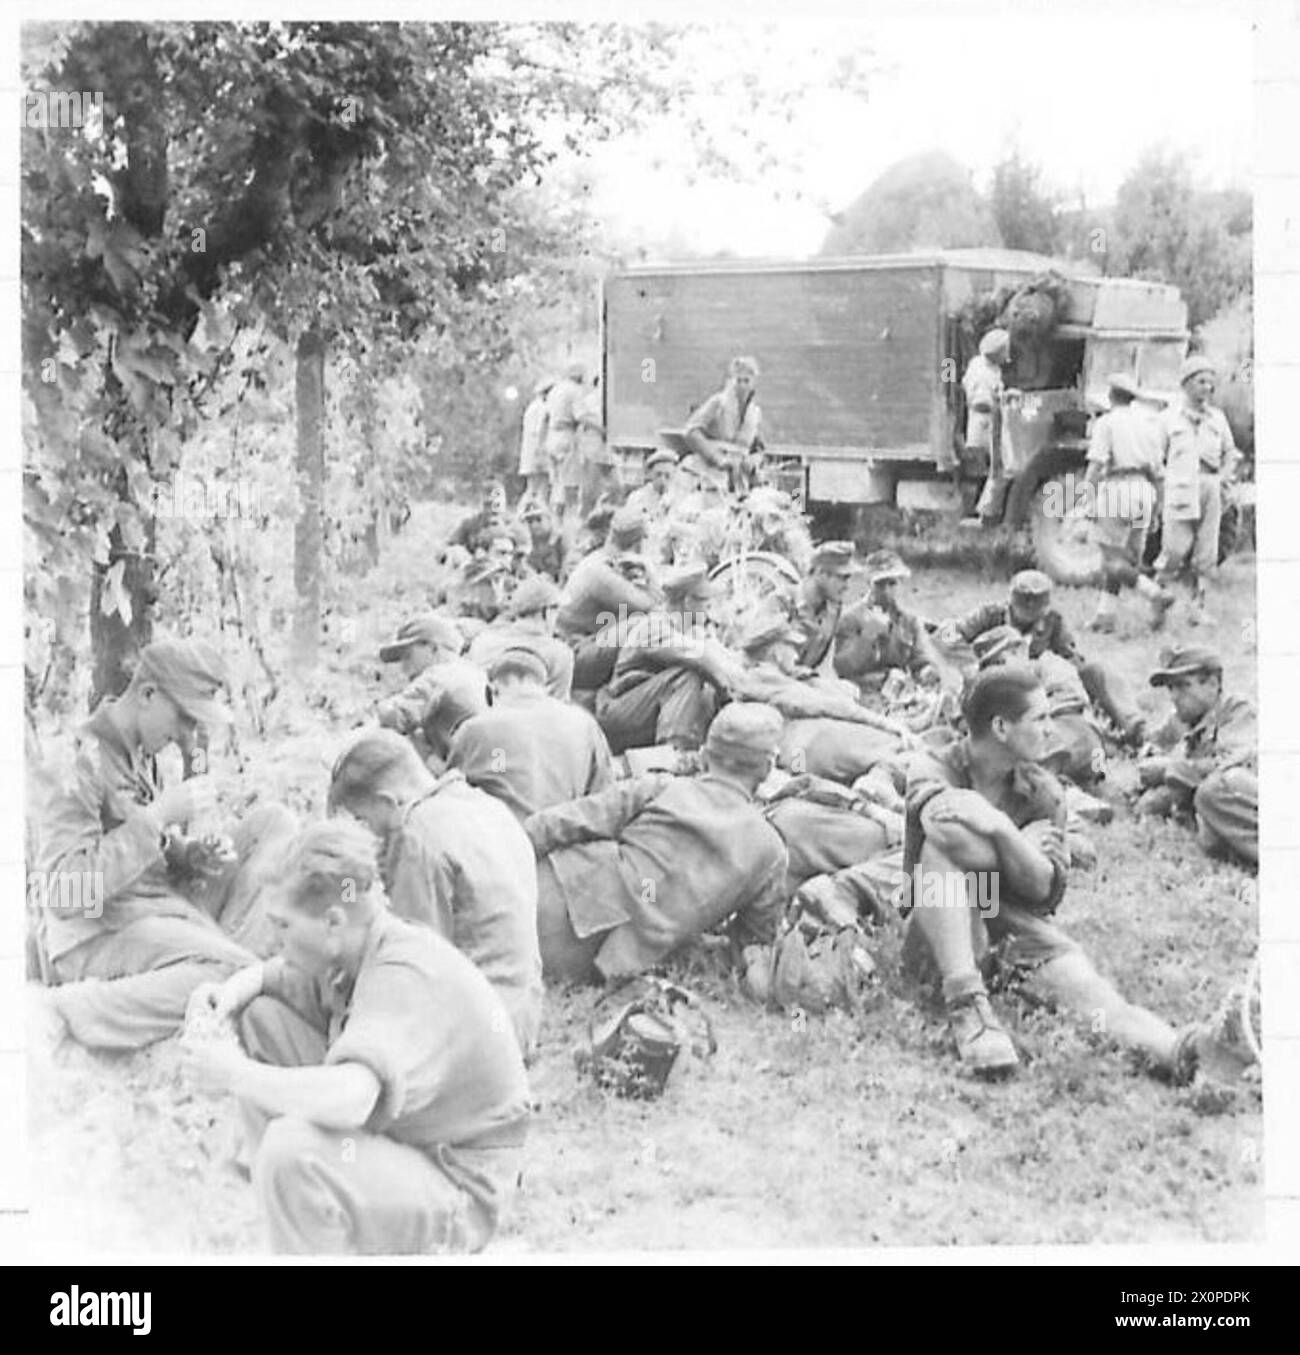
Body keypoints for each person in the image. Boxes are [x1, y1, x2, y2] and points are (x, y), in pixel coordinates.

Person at [182, 818, 530, 1255]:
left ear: (331, 921)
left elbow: (354, 1100)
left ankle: (311, 1232)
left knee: (291, 1152)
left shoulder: (401, 975)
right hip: (410, 1136)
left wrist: (233, 1073)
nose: (274, 938)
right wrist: (223, 997)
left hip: (458, 1187)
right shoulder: (353, 947)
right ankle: (292, 1226)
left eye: (284, 926)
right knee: (260, 1019)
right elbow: (270, 978)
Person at [902, 665, 1254, 1083]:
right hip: (939, 925)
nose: (1052, 730)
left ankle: (1192, 1054)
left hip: (1013, 926)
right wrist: (1022, 848)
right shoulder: (934, 764)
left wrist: (998, 828)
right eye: (1040, 718)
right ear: (1000, 726)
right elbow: (944, 834)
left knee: (1094, 997)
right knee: (942, 856)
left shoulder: (1044, 790)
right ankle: (967, 1006)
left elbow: (1039, 889)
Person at [36, 638, 296, 1050]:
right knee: (234, 972)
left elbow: (139, 845)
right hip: (101, 933)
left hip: (155, 908)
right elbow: (66, 894)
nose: (185, 736)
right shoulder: (77, 760)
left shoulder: (141, 755)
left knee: (273, 824)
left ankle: (213, 961)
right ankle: (77, 1010)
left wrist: (186, 854)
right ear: (148, 694)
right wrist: (157, 816)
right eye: (185, 719)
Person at [525, 703, 789, 983]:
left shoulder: (659, 789)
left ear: (704, 753)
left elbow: (555, 824)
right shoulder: (770, 851)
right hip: (595, 961)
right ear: (768, 768)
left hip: (539, 900)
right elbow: (753, 948)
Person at [327, 730, 543, 1057]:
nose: (364, 838)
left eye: (361, 821)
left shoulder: (417, 835)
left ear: (388, 802)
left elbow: (409, 967)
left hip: (475, 1041)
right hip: (520, 1019)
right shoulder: (488, 806)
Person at [941, 569, 1144, 744]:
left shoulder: (1052, 621)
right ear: (1011, 603)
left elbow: (1070, 656)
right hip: (998, 688)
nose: (1030, 614)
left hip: (1041, 685)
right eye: (1023, 607)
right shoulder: (989, 614)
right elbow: (948, 633)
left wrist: (1071, 676)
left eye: (1036, 609)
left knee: (1096, 671)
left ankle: (1133, 726)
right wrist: (970, 666)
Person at [733, 611, 913, 783]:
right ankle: (886, 776)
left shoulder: (764, 676)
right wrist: (884, 723)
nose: (796, 655)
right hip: (795, 756)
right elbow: (825, 705)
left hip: (792, 753)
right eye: (791, 648)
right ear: (776, 653)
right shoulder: (764, 677)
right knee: (885, 745)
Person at [451, 647, 613, 822]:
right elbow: (605, 799)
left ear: (491, 691)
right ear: (544, 686)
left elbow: (451, 799)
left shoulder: (474, 729)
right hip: (564, 840)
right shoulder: (585, 724)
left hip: (503, 841)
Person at [1134, 646, 1257, 866]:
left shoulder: (1237, 710)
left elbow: (1231, 764)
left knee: (1216, 789)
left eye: (1182, 686)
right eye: (1170, 688)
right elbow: (1153, 741)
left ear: (1213, 684)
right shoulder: (1187, 719)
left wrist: (1170, 768)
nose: (1173, 696)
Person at [595, 564, 733, 754]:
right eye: (704, 602)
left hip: (644, 709)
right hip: (619, 712)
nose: (709, 608)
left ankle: (702, 748)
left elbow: (724, 660)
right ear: (687, 602)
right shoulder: (654, 626)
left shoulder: (690, 629)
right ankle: (672, 755)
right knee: (687, 677)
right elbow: (701, 658)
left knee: (707, 686)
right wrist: (726, 688)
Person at [1152, 355, 1239, 627]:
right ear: (1186, 384)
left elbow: (1230, 454)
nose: (1207, 388)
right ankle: (1158, 604)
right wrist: (1164, 483)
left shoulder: (1217, 419)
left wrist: (1223, 479)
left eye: (1211, 383)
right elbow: (1156, 457)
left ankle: (1197, 609)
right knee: (1174, 550)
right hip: (1179, 487)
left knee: (1206, 552)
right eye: (1201, 381)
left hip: (1210, 487)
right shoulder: (1168, 418)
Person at [1083, 373, 1168, 632]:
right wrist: (1156, 510)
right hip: (1144, 490)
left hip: (1117, 487)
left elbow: (1096, 464)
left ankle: (1153, 593)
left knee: (1111, 560)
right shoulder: (1149, 424)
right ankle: (1105, 617)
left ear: (1110, 396)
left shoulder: (1106, 423)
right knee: (1127, 559)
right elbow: (1159, 474)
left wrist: (1087, 499)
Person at [556, 506, 660, 693]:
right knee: (645, 624)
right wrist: (649, 568)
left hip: (582, 647)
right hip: (574, 653)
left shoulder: (600, 561)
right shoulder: (598, 571)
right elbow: (651, 606)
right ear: (638, 543)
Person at [836, 549, 960, 695]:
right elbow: (842, 667)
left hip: (899, 691)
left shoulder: (908, 621)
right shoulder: (849, 619)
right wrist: (867, 638)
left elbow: (922, 657)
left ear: (900, 583)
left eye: (892, 583)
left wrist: (927, 672)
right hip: (859, 692)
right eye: (880, 584)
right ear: (869, 583)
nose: (887, 591)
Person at [374, 615, 488, 766]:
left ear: (433, 648)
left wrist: (381, 707)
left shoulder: (437, 676)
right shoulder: (475, 672)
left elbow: (393, 718)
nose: (403, 667)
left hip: (461, 776)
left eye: (407, 656)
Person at [466, 575, 574, 701]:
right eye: (557, 610)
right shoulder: (560, 653)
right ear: (546, 612)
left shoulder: (483, 641)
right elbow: (560, 707)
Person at [682, 355, 763, 492]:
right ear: (731, 381)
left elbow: (759, 447)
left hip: (740, 477)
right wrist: (716, 458)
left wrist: (754, 460)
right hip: (711, 471)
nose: (742, 385)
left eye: (746, 381)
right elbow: (691, 431)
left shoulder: (755, 412)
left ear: (753, 383)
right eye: (738, 380)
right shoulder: (718, 402)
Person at [962, 328, 1012, 519]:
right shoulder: (983, 373)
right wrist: (1001, 401)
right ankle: (982, 512)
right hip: (984, 424)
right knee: (996, 467)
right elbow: (981, 402)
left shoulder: (980, 363)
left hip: (984, 422)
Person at [796, 541, 857, 673]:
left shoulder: (832, 610)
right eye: (842, 578)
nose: (846, 587)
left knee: (848, 690)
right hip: (769, 683)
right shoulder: (784, 602)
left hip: (801, 680)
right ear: (821, 573)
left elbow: (822, 665)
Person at [545, 360, 588, 522]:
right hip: (566, 436)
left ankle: (554, 519)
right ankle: (567, 522)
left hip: (552, 436)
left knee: (556, 482)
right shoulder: (575, 391)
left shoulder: (555, 390)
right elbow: (580, 416)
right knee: (570, 484)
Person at [577, 374, 616, 514]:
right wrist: (602, 429)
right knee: (591, 485)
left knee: (613, 484)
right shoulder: (590, 400)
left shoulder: (613, 398)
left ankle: (605, 511)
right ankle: (585, 514)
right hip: (593, 444)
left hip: (607, 446)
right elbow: (582, 417)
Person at [518, 377, 553, 503]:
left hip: (531, 450)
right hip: (539, 450)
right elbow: (540, 430)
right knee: (541, 487)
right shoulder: (543, 408)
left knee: (532, 487)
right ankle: (536, 512)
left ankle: (524, 512)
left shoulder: (532, 407)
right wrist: (541, 450)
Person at [518, 498, 567, 582]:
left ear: (549, 519)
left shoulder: (561, 542)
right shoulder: (528, 550)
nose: (534, 525)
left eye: (538, 519)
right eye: (530, 521)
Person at [624, 448, 679, 520]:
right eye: (658, 474)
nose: (662, 480)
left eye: (667, 476)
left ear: (674, 476)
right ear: (650, 474)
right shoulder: (637, 497)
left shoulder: (678, 499)